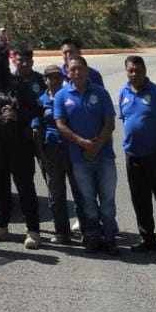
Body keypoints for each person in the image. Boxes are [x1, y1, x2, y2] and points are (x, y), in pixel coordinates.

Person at [0, 43, 43, 249]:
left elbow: (37, 109)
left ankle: (33, 230)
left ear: (4, 61)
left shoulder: (19, 83)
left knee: (25, 187)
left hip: (19, 145)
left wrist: (18, 115)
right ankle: (0, 225)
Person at [55, 56, 119, 255]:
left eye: (80, 69)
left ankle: (109, 239)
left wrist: (97, 145)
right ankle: (93, 238)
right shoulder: (61, 95)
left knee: (107, 201)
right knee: (88, 201)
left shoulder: (100, 93)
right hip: (79, 158)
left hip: (104, 156)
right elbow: (60, 124)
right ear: (67, 72)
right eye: (72, 69)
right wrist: (82, 143)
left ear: (87, 70)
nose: (77, 73)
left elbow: (110, 122)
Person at [119, 56, 156, 255]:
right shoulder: (123, 93)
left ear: (145, 70)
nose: (134, 74)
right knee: (140, 200)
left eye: (138, 70)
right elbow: (126, 120)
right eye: (131, 70)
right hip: (133, 156)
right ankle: (148, 240)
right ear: (126, 72)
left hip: (155, 156)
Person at [34, 65, 80, 244]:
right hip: (51, 152)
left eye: (57, 77)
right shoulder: (41, 100)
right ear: (45, 80)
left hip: (72, 149)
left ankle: (87, 229)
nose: (54, 81)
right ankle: (62, 232)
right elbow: (36, 129)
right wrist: (42, 155)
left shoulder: (71, 96)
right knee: (56, 194)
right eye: (49, 77)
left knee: (79, 191)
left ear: (62, 78)